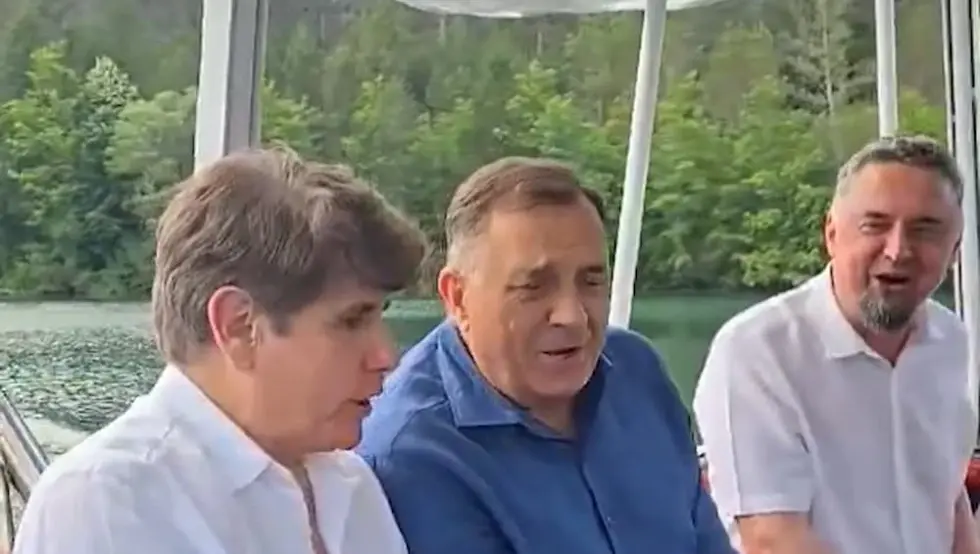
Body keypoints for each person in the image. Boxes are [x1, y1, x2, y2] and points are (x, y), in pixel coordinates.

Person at [14, 148, 427, 554]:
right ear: (238, 326)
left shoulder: (351, 486)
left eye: (380, 316)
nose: (385, 356)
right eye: (352, 320)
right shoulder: (105, 503)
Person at [356, 157, 734, 554]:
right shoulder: (412, 452)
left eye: (591, 282)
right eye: (533, 287)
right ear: (458, 297)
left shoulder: (636, 369)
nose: (572, 316)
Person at [693, 135, 980, 554]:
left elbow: (947, 499)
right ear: (832, 234)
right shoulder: (757, 353)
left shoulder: (949, 341)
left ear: (954, 250)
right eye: (875, 225)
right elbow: (773, 540)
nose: (898, 250)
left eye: (925, 230)